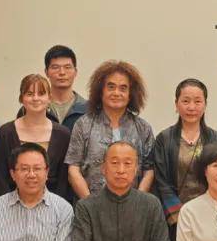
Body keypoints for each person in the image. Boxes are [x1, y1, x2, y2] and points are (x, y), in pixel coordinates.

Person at [66, 60, 155, 198]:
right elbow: (73, 169)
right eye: (111, 87)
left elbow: (149, 171)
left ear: (131, 94)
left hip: (133, 207)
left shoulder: (143, 128)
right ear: (101, 91)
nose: (116, 93)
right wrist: (90, 204)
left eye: (123, 88)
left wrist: (137, 203)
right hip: (90, 204)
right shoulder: (83, 124)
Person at [151, 78, 217, 224]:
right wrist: (178, 215)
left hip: (208, 214)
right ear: (176, 104)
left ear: (205, 105)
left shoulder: (215, 138)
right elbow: (161, 181)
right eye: (185, 101)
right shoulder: (164, 139)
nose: (191, 107)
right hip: (174, 217)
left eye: (197, 101)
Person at [0, 74, 72, 200]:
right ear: (21, 98)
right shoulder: (5, 133)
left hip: (53, 206)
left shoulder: (63, 134)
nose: (35, 98)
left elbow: (64, 180)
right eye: (29, 94)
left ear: (49, 98)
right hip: (10, 205)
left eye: (41, 93)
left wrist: (55, 206)